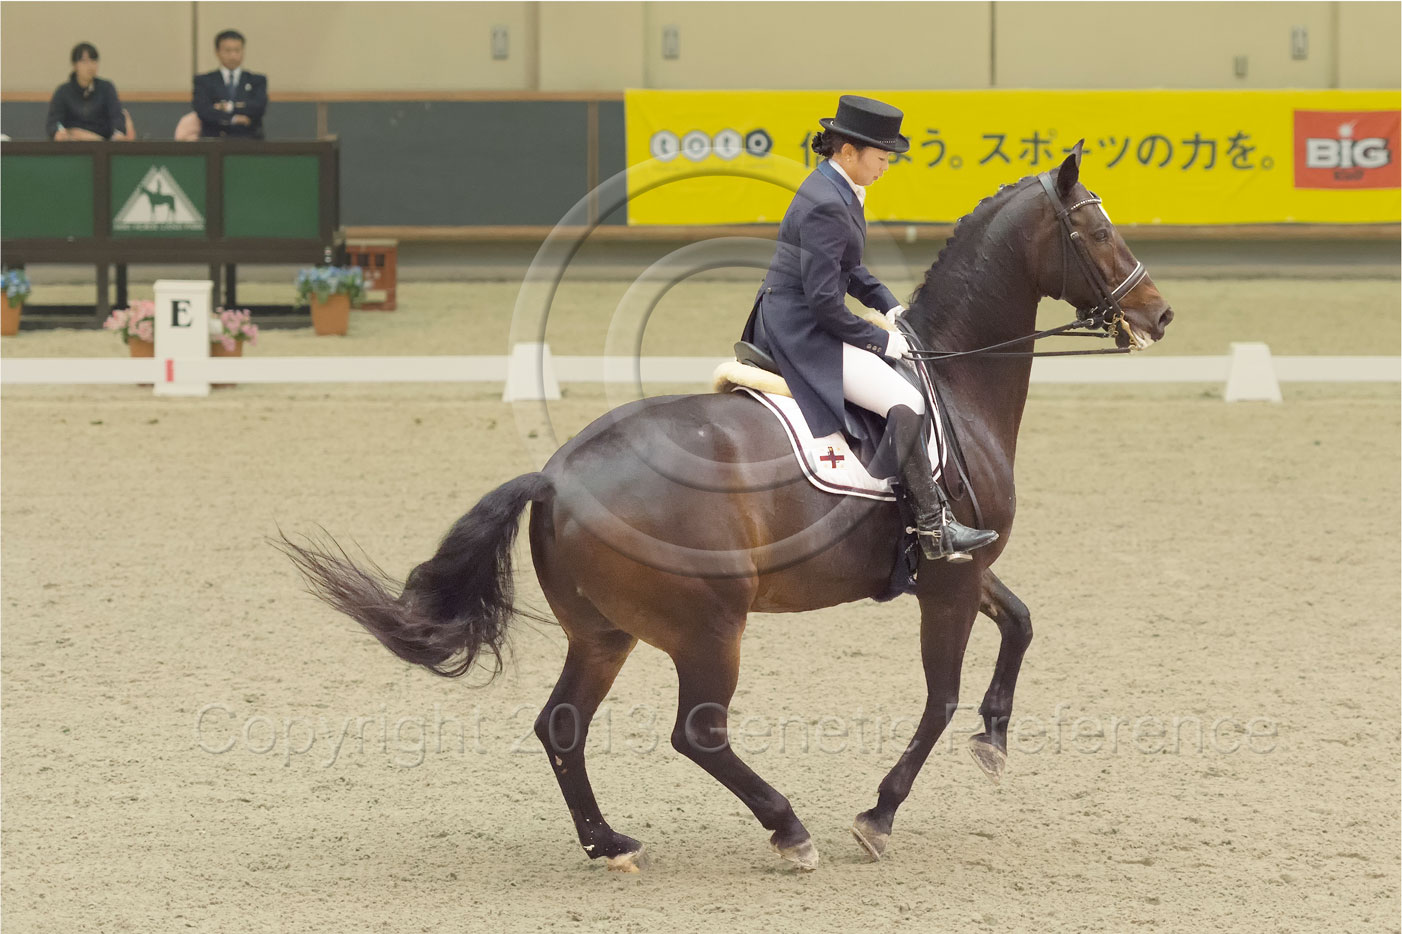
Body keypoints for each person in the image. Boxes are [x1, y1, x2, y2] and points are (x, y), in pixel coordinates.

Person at [739, 95, 997, 563]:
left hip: (797, 311)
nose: (885, 168)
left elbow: (849, 268)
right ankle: (933, 528)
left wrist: (890, 306)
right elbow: (823, 303)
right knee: (907, 400)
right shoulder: (826, 204)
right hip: (800, 326)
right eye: (881, 158)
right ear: (848, 151)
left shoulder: (836, 188)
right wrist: (880, 339)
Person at [175, 29, 267, 140]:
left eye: (237, 50)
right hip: (214, 142)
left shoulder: (257, 80)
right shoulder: (204, 81)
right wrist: (234, 119)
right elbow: (203, 110)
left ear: (243, 51)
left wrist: (227, 107)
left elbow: (258, 108)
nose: (233, 55)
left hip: (249, 141)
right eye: (227, 51)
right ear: (217, 52)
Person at [46, 42, 130, 141]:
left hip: (102, 146)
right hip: (72, 145)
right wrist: (58, 132)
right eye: (84, 61)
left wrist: (118, 133)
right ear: (74, 65)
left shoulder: (106, 88)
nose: (90, 66)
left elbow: (116, 117)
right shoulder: (63, 92)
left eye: (93, 61)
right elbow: (54, 122)